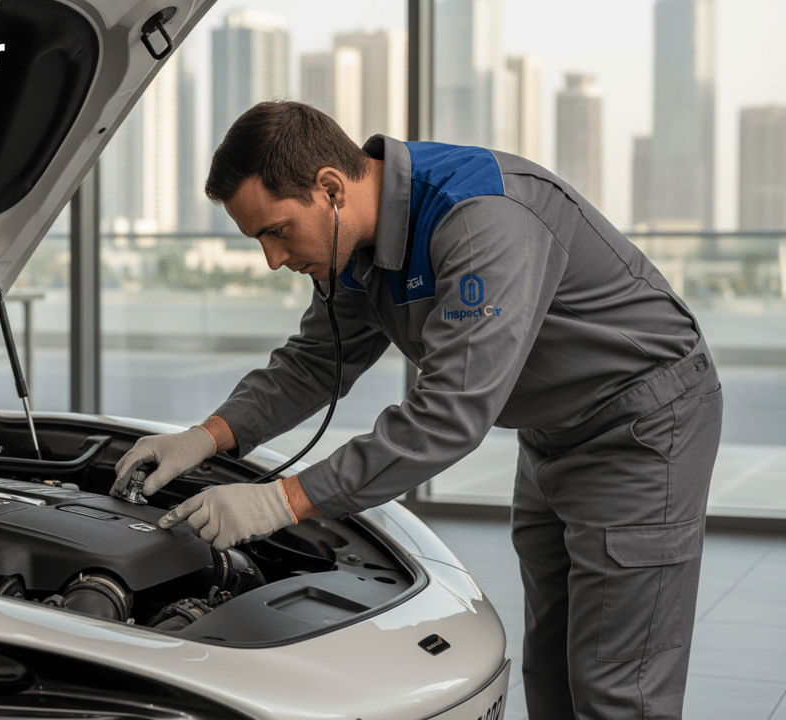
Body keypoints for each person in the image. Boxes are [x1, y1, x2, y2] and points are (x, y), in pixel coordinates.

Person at [111, 100, 722, 720]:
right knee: (554, 664)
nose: (272, 259)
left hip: (641, 427)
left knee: (617, 688)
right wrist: (206, 437)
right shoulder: (355, 245)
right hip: (550, 432)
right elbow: (315, 362)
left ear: (329, 188)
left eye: (277, 231)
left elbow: (447, 415)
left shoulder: (481, 220)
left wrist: (280, 501)